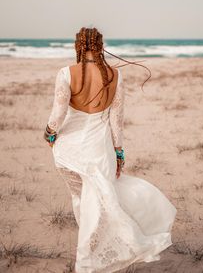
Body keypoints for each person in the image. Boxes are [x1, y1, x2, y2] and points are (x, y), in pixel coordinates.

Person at [43, 27, 177, 273]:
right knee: (100, 198)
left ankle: (88, 254)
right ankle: (93, 250)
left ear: (79, 46)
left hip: (69, 151)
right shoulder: (114, 76)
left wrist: (50, 132)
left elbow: (58, 113)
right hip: (99, 149)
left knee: (80, 198)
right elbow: (117, 119)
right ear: (101, 45)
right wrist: (119, 153)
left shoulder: (66, 73)